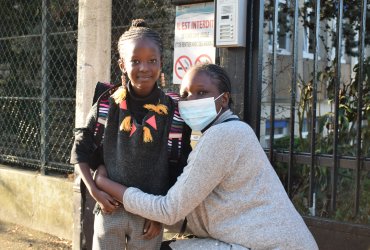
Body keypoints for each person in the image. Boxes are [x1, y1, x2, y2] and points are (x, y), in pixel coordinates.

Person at [93, 63, 319, 250]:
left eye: (201, 93)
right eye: (184, 94)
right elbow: (184, 199)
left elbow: (168, 210)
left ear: (223, 99)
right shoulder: (231, 130)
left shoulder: (224, 135)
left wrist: (103, 182)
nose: (190, 100)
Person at [70, 19, 191, 250]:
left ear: (161, 63)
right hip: (109, 210)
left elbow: (181, 166)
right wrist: (95, 191)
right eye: (135, 61)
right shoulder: (107, 103)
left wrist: (161, 215)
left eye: (151, 61)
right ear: (122, 65)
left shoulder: (174, 111)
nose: (144, 68)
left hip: (150, 219)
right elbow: (81, 147)